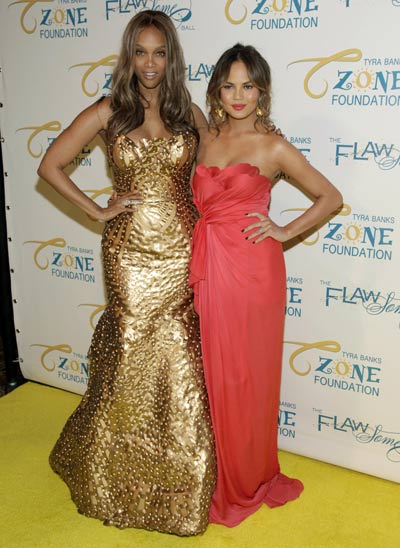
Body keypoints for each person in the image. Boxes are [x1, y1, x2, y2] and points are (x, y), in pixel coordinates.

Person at [37, 10, 215, 536]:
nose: (150, 63)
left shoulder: (189, 112)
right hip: (129, 254)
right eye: (141, 52)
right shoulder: (110, 109)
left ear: (171, 57)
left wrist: (258, 130)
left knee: (179, 360)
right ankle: (108, 477)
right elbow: (50, 164)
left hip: (181, 250)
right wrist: (97, 210)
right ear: (129, 56)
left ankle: (179, 485)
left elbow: (222, 163)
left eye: (159, 52)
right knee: (130, 352)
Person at [189, 43, 343, 527]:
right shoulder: (204, 136)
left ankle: (248, 477)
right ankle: (215, 471)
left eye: (248, 86)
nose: (239, 96)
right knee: (212, 375)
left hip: (254, 273)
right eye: (229, 86)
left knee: (248, 379)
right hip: (209, 267)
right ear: (216, 91)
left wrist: (283, 230)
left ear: (262, 91)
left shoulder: (273, 147)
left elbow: (330, 196)